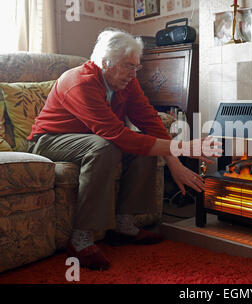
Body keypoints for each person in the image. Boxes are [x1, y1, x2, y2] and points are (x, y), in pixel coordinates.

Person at [27, 28, 222, 271]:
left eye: (136, 67)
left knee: (140, 142)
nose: (134, 73)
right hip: (50, 140)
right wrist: (183, 147)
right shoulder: (79, 81)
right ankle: (80, 239)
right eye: (129, 66)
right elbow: (115, 134)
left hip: (93, 138)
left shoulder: (126, 83)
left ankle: (124, 226)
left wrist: (175, 164)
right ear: (106, 62)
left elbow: (150, 121)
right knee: (106, 147)